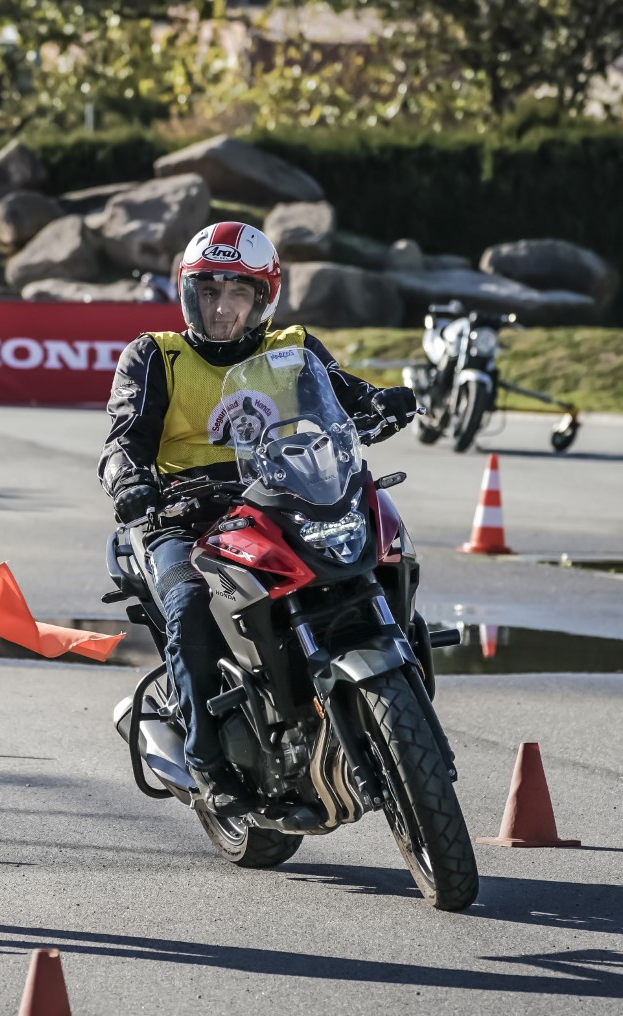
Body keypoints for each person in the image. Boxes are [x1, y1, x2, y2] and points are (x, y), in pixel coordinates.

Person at [98, 222, 416, 816]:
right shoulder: (154, 356)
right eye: (208, 293)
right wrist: (128, 478)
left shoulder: (291, 348)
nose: (222, 309)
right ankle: (206, 761)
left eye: (237, 294)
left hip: (277, 499)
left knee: (383, 550)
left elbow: (344, 395)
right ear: (188, 294)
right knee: (189, 604)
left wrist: (381, 401)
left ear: (263, 299)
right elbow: (122, 439)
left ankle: (381, 684)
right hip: (181, 516)